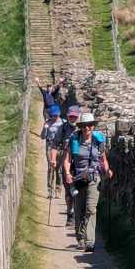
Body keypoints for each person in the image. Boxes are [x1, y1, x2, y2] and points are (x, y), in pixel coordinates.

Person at [63, 112, 113, 252]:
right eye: (84, 126)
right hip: (78, 178)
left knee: (91, 209)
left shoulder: (98, 141)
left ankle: (90, 242)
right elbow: (67, 160)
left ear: (93, 126)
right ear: (81, 127)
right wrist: (67, 174)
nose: (87, 128)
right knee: (79, 209)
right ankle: (80, 238)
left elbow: (103, 159)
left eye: (90, 125)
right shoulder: (74, 140)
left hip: (93, 178)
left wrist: (107, 170)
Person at [39, 104, 64, 198]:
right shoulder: (48, 123)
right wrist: (45, 128)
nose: (55, 117)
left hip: (60, 148)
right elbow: (42, 137)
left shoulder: (63, 123)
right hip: (50, 147)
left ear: (59, 114)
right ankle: (50, 191)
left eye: (56, 115)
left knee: (59, 169)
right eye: (53, 115)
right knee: (51, 168)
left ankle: (58, 190)